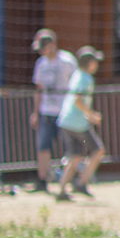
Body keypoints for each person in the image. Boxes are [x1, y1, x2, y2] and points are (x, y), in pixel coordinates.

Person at [28, 29, 77, 193]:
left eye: (43, 47)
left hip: (65, 112)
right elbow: (38, 89)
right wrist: (35, 112)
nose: (41, 51)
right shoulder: (41, 64)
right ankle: (42, 180)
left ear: (53, 44)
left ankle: (69, 181)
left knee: (68, 148)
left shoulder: (67, 61)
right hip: (46, 112)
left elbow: (76, 86)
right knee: (43, 147)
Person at [55, 46, 105, 199]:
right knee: (98, 151)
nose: (97, 64)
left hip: (66, 121)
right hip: (77, 125)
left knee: (74, 157)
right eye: (95, 61)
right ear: (89, 63)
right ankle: (81, 183)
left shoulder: (77, 75)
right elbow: (77, 99)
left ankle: (62, 191)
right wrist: (91, 114)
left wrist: (88, 115)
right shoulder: (85, 78)